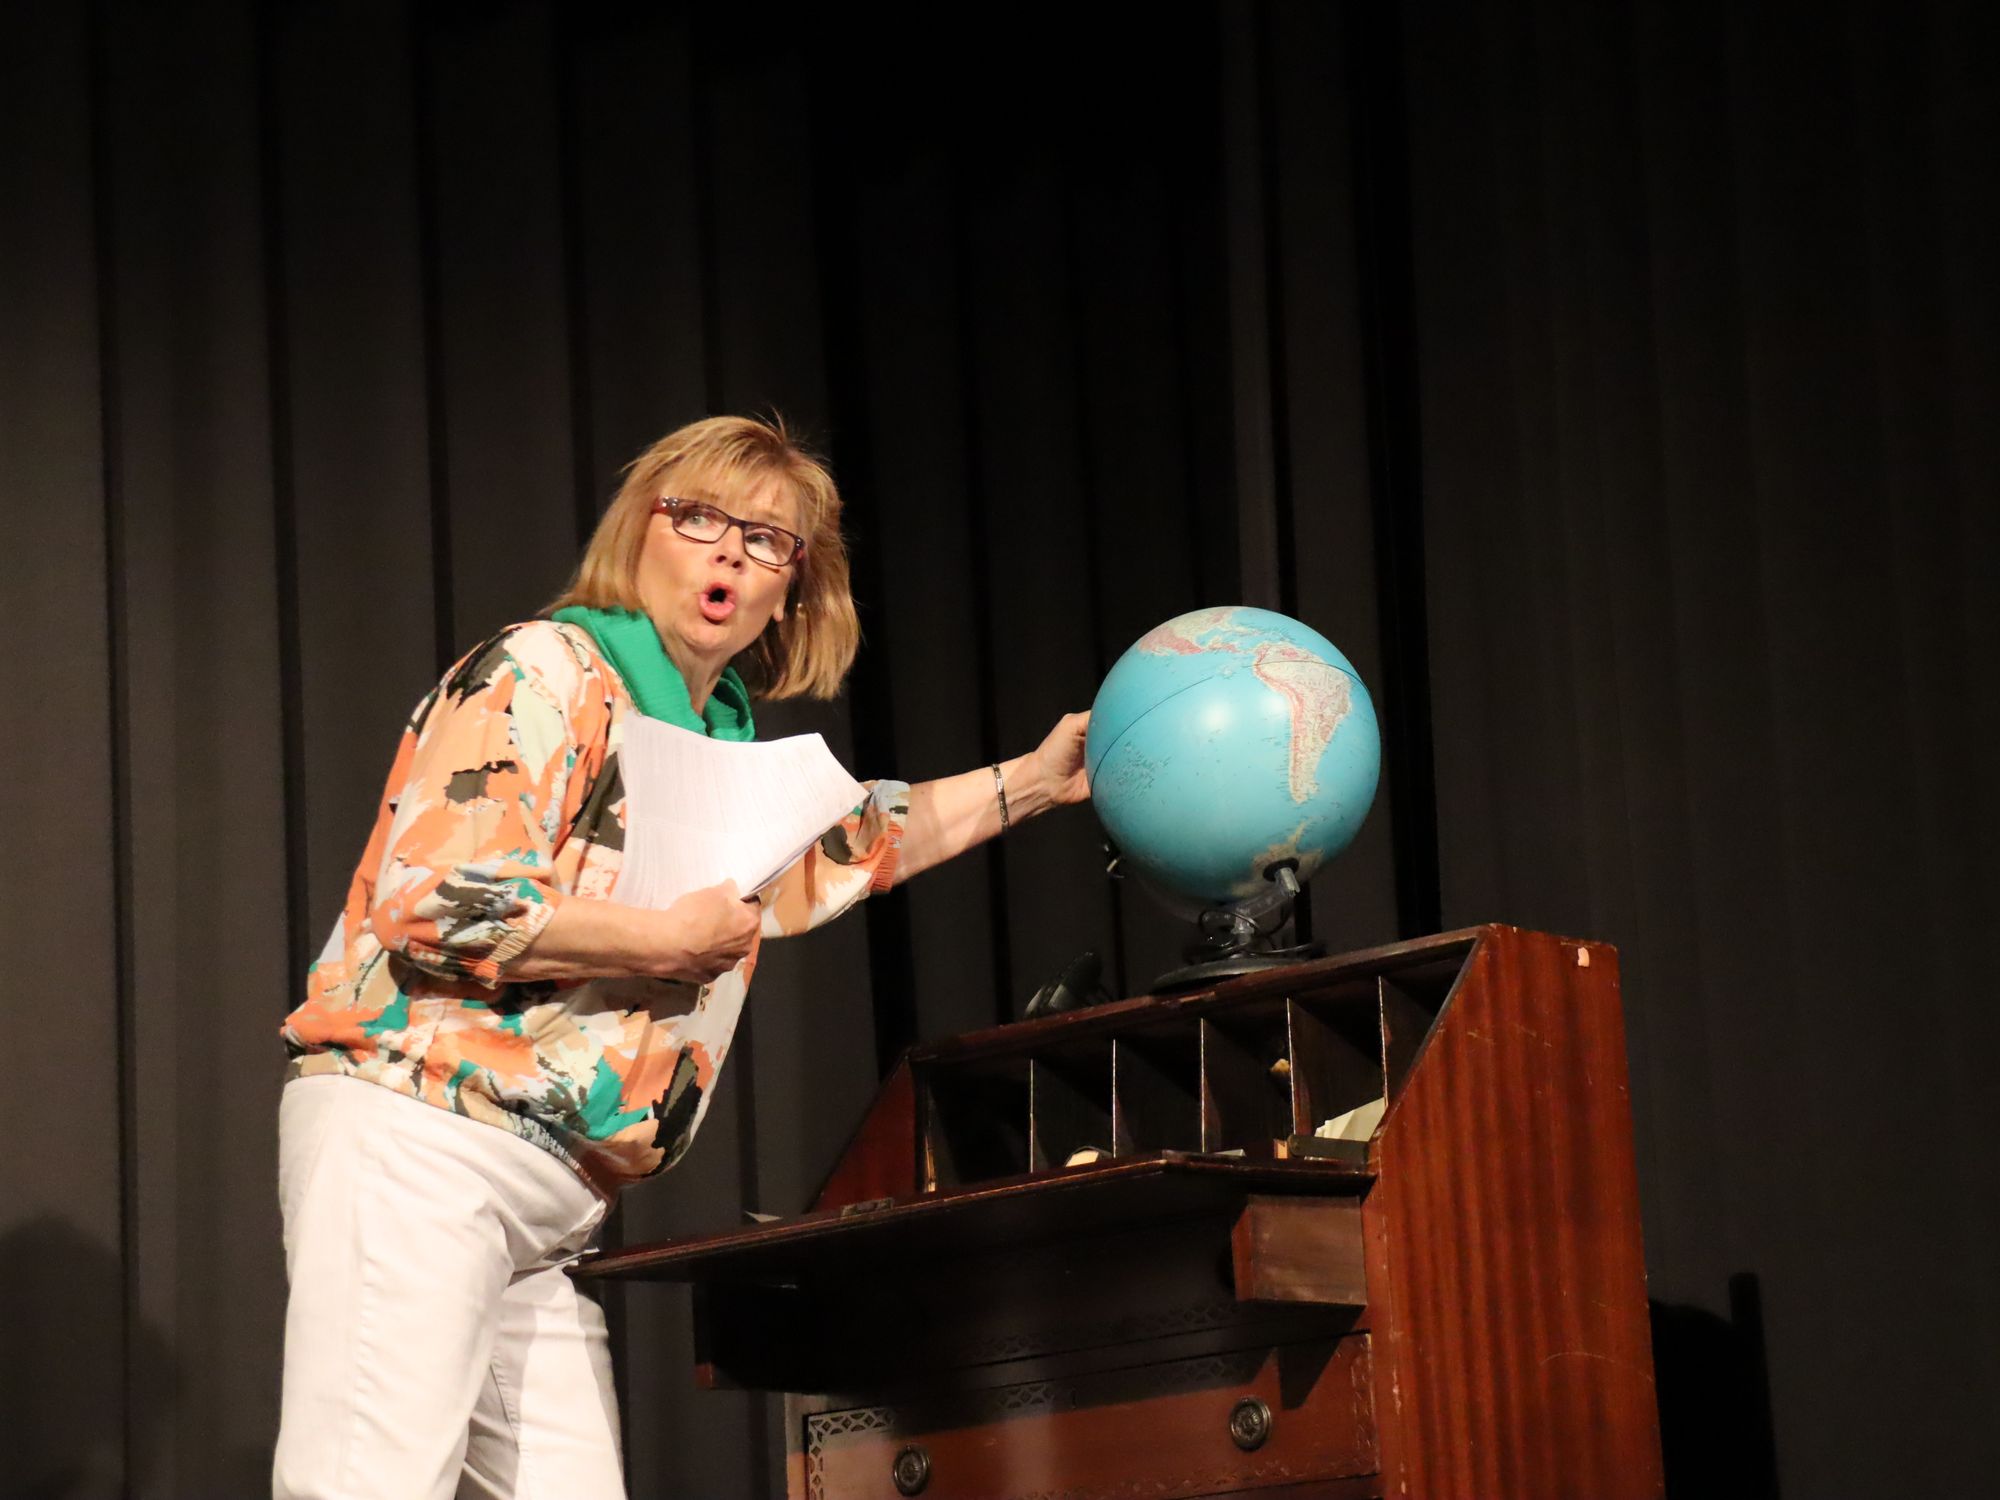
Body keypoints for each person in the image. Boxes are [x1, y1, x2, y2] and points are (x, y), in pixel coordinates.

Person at [273, 414, 1090, 1500]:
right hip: (426, 1136)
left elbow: (856, 842)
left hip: (548, 1198)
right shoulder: (547, 670)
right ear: (640, 534)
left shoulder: (718, 746)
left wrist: (1032, 782)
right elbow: (434, 899)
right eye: (700, 518)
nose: (729, 554)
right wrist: (663, 939)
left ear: (788, 592)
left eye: (766, 540)